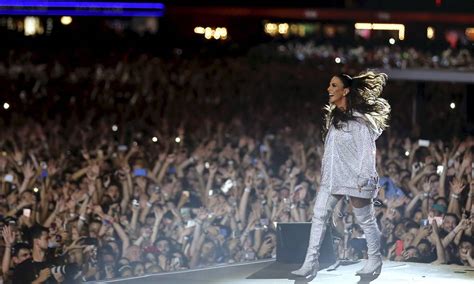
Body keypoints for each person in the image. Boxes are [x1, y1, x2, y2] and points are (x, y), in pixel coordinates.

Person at [291, 71, 391, 280]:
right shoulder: (333, 116)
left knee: (365, 219)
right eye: (329, 85)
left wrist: (364, 179)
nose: (329, 89)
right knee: (319, 216)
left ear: (345, 90)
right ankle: (310, 263)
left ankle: (374, 260)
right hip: (332, 179)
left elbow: (366, 151)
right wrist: (324, 176)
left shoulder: (359, 121)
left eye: (334, 85)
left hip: (356, 179)